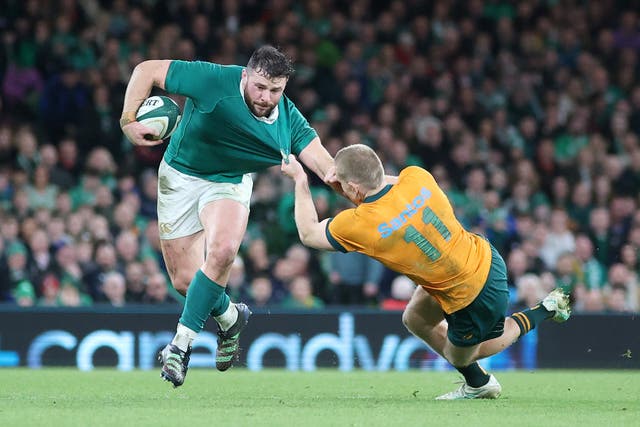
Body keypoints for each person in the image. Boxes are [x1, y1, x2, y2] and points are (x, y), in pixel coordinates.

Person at [280, 144, 571, 400]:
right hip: (484, 255)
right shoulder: (416, 176)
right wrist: (346, 179)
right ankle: (478, 383)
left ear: (353, 189)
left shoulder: (360, 225)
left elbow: (308, 233)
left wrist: (300, 180)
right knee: (415, 318)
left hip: (472, 294)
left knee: (463, 354)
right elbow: (380, 190)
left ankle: (543, 310)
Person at [120, 45, 337, 387]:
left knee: (222, 252)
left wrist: (373, 192)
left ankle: (180, 346)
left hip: (228, 183)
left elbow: (327, 168)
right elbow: (146, 70)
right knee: (185, 283)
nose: (266, 97)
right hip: (179, 177)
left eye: (276, 90)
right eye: (260, 87)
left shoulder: (288, 121)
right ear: (246, 75)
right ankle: (230, 316)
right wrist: (128, 121)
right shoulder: (213, 80)